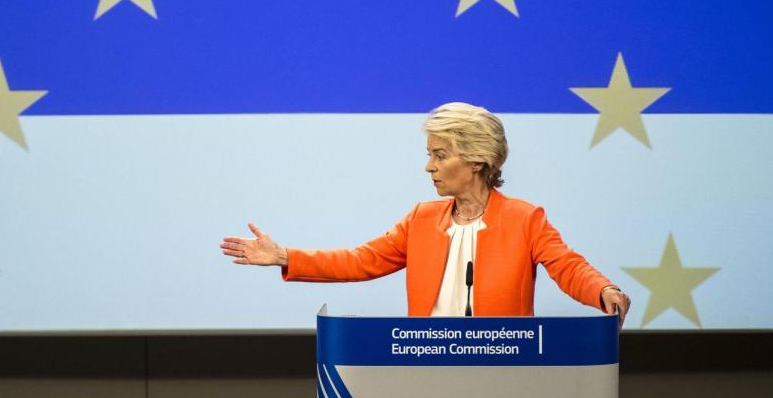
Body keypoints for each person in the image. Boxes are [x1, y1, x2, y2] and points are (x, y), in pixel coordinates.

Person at [221, 102, 631, 327]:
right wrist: (285, 256)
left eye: (440, 155)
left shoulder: (525, 219)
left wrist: (603, 292)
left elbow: (567, 266)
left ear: (476, 160)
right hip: (426, 365)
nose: (429, 167)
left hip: (505, 367)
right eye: (429, 155)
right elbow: (360, 261)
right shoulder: (420, 219)